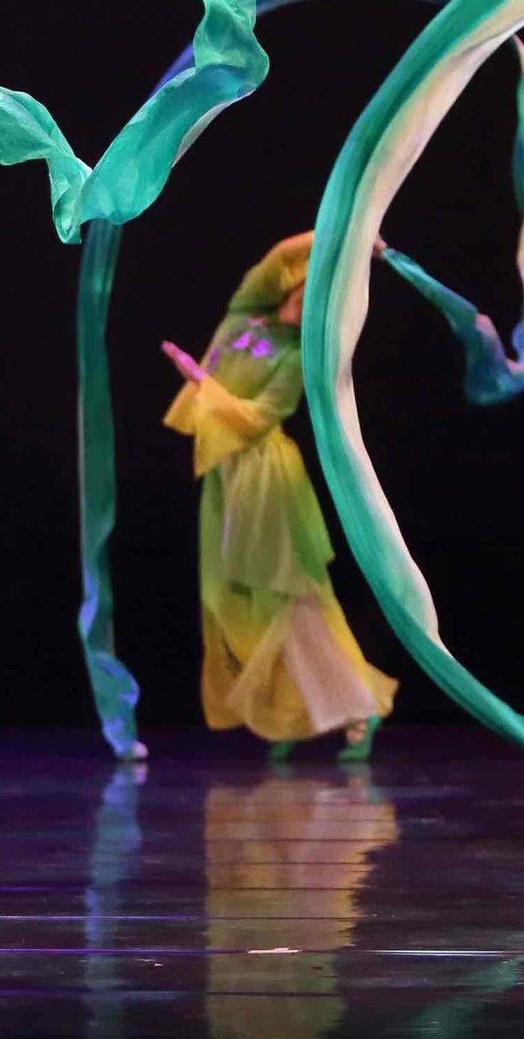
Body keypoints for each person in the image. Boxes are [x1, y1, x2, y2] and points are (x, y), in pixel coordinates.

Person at [161, 232, 396, 759]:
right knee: (237, 603)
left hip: (266, 475)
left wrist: (200, 380)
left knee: (291, 599)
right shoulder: (246, 310)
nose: (310, 292)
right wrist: (352, 233)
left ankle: (357, 710)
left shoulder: (295, 359)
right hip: (226, 473)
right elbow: (279, 256)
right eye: (311, 281)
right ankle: (295, 712)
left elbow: (257, 419)